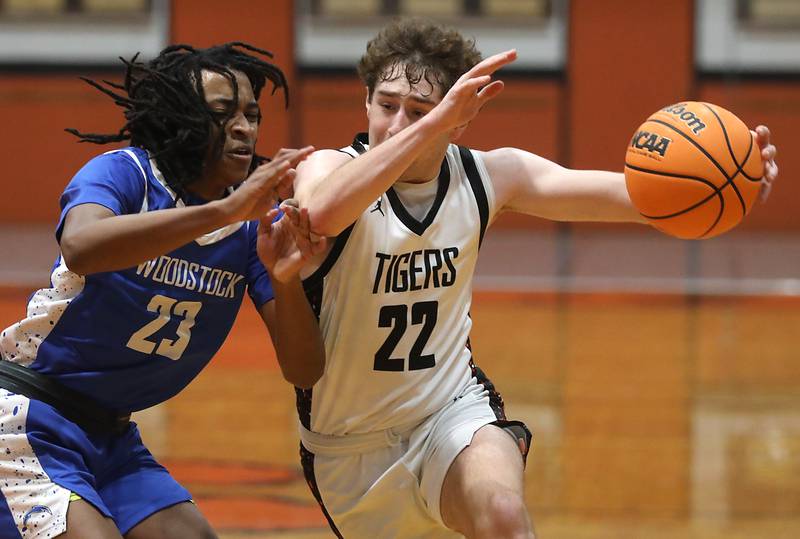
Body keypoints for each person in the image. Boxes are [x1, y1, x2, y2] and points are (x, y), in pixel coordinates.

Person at [291, 18, 780, 539]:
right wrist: (428, 126)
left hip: (448, 413)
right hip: (348, 446)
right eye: (386, 105)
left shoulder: (488, 176)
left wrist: (730, 183)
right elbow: (320, 215)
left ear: (461, 122)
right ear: (366, 101)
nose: (396, 124)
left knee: (503, 515)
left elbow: (634, 198)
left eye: (420, 112)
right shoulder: (324, 168)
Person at [0, 43, 326, 538]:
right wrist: (224, 211)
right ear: (180, 119)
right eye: (222, 114)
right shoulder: (126, 173)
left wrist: (286, 276)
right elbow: (82, 246)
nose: (244, 127)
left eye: (252, 114)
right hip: (29, 416)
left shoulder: (252, 231)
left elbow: (304, 369)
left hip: (113, 436)